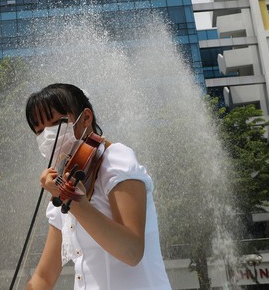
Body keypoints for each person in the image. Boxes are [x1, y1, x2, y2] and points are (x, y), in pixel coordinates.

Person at [24, 83, 171, 290]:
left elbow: (132, 251)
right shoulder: (64, 181)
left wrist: (71, 199)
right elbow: (44, 277)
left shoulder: (116, 160)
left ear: (86, 118)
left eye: (57, 123)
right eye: (39, 131)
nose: (47, 135)